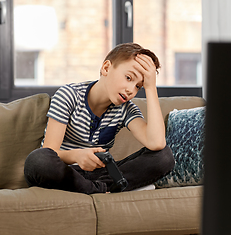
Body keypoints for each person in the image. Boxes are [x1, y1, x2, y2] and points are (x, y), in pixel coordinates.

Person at [24, 43, 175, 194]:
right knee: (38, 160)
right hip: (65, 171)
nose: (131, 90)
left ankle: (97, 189)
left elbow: (156, 143)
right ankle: (105, 189)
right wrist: (77, 155)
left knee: (164, 157)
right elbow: (50, 151)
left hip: (100, 175)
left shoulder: (126, 109)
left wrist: (151, 87)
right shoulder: (69, 95)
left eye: (138, 86)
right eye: (129, 78)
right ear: (106, 68)